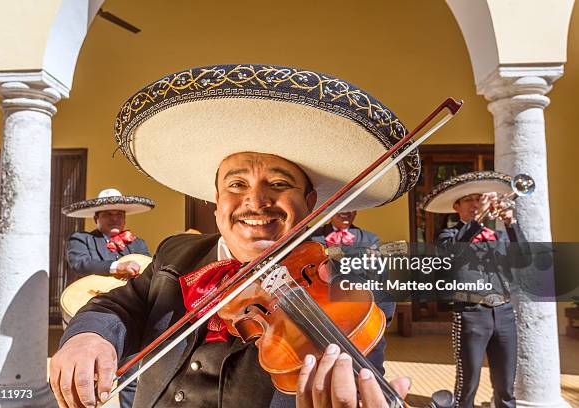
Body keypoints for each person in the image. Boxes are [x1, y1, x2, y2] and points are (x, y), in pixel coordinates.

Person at [50, 64, 421, 408]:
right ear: (216, 203)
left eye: (278, 183)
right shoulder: (177, 253)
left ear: (309, 204)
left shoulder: (346, 295)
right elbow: (118, 305)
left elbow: (362, 377)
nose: (256, 201)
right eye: (237, 184)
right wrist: (88, 336)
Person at [421, 171, 530, 408]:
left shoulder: (499, 236)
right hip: (471, 313)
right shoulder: (448, 236)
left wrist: (511, 224)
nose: (475, 203)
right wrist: (477, 220)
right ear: (456, 206)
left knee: (505, 386)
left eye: (479, 198)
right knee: (467, 385)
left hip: (504, 313)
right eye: (469, 199)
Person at [62, 188, 155, 408]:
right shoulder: (81, 239)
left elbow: (151, 269)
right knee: (88, 374)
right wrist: (116, 266)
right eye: (108, 214)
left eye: (119, 214)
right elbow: (79, 263)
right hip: (92, 310)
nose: (115, 218)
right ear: (96, 218)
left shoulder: (138, 244)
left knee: (131, 372)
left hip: (129, 315)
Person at [311, 211, 394, 375]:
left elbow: (382, 282)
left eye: (353, 207)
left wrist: (382, 317)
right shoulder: (312, 237)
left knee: (370, 372)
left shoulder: (370, 240)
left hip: (360, 317)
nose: (346, 211)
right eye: (343, 206)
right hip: (323, 317)